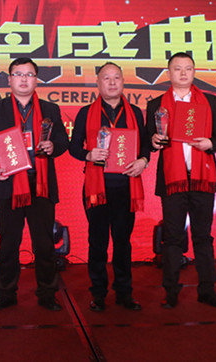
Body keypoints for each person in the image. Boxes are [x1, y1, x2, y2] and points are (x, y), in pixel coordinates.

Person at [0, 57, 69, 311]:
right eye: (18, 74)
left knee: (44, 243)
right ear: (9, 80)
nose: (23, 79)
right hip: (9, 184)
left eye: (29, 74)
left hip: (40, 183)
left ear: (36, 80)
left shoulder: (50, 109)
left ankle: (47, 293)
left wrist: (53, 146)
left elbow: (63, 140)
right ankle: (6, 293)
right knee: (8, 243)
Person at [145, 52, 216, 309]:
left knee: (203, 236)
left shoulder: (209, 101)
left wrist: (210, 143)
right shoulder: (156, 105)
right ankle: (171, 292)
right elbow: (149, 139)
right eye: (177, 69)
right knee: (172, 238)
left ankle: (207, 291)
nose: (183, 73)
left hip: (202, 179)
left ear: (194, 72)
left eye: (188, 68)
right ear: (168, 73)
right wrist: (153, 141)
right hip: (173, 180)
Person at [69, 62, 150, 312]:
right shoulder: (85, 113)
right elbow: (73, 147)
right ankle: (99, 293)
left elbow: (145, 145)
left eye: (117, 77)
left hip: (126, 186)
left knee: (123, 242)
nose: (112, 82)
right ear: (98, 82)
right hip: (97, 188)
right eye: (107, 78)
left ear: (123, 82)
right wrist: (88, 154)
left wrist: (143, 161)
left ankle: (124, 293)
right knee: (98, 242)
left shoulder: (135, 112)